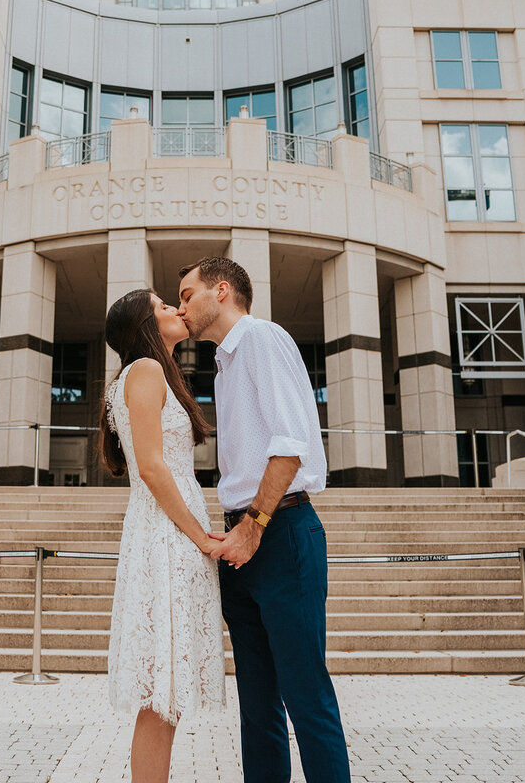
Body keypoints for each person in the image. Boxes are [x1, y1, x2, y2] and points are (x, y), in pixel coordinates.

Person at [177, 257, 351, 783]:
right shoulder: (224, 364)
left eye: (187, 294)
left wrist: (253, 525)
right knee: (256, 705)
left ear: (222, 290)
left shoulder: (261, 339)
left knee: (306, 696)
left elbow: (291, 444)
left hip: (280, 532)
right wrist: (237, 529)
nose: (181, 305)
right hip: (241, 537)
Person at [98, 288, 226, 783]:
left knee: (164, 691)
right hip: (167, 535)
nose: (176, 309)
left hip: (164, 530)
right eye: (162, 306)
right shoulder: (146, 371)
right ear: (145, 326)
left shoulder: (150, 374)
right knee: (159, 689)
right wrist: (200, 537)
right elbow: (151, 467)